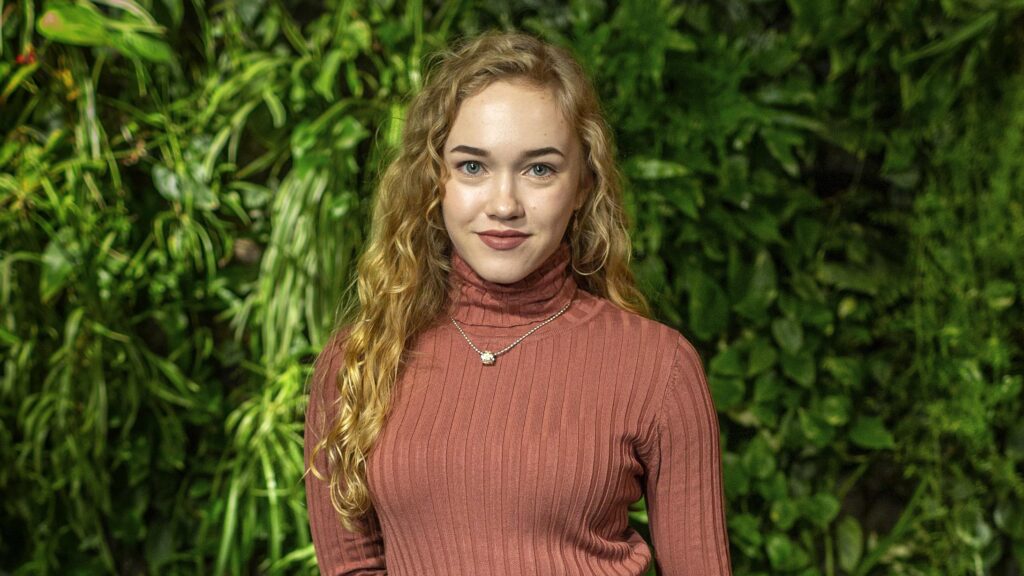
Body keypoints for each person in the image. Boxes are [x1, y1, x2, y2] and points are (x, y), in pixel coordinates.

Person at [304, 30, 732, 575]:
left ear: (583, 186)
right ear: (434, 180)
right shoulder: (360, 361)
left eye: (539, 169)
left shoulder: (658, 366)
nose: (504, 204)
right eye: (473, 166)